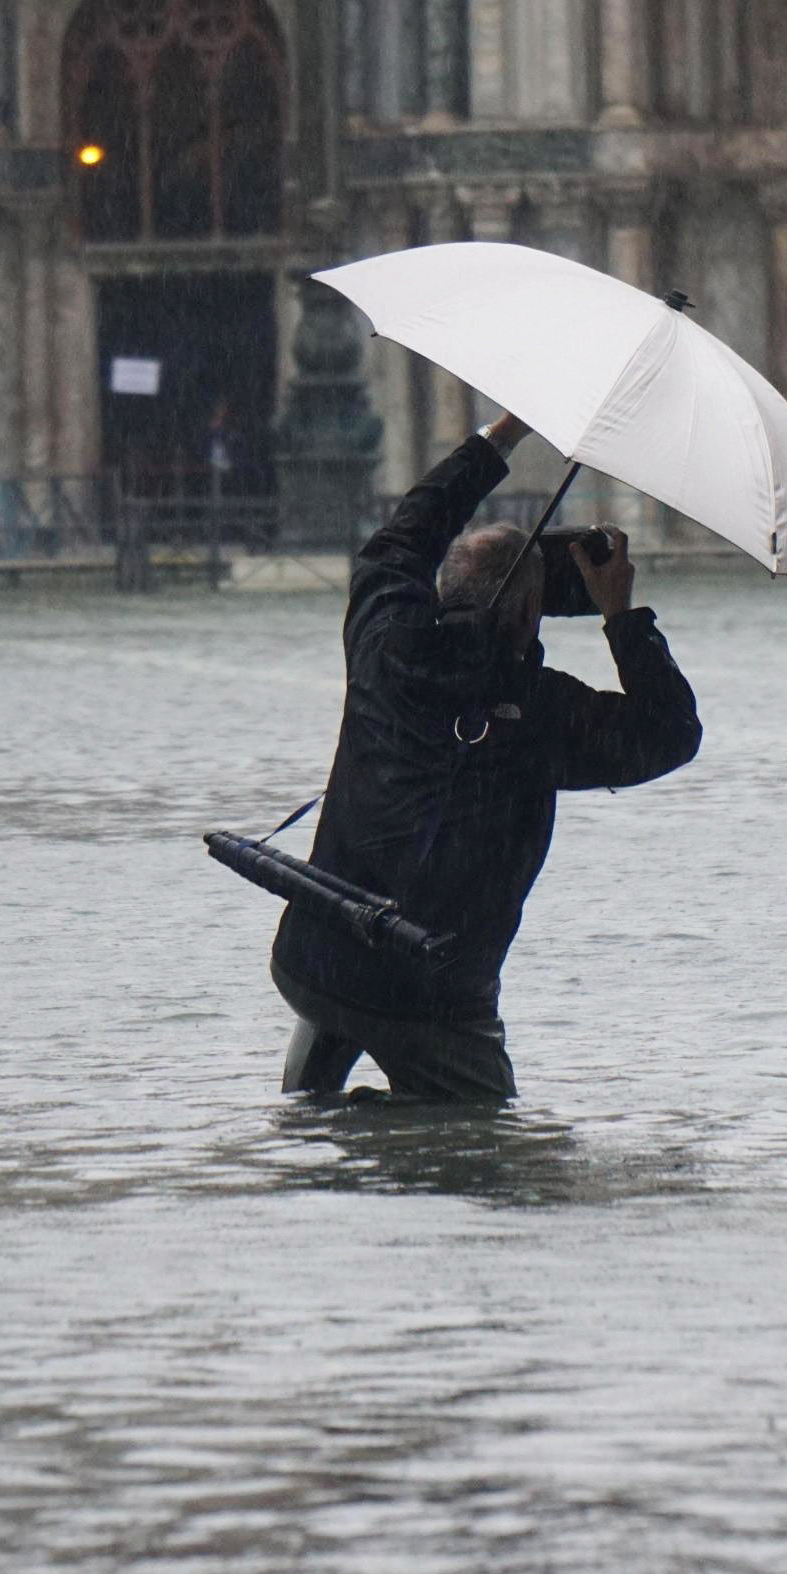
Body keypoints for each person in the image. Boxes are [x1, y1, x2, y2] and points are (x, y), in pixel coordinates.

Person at [270, 410, 702, 1103]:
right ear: (531, 617)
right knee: (484, 1142)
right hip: (435, 996)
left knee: (323, 1073)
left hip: (315, 957)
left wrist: (501, 436)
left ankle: (328, 1125)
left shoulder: (383, 641)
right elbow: (671, 731)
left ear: (445, 587)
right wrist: (620, 614)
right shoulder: (547, 712)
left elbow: (407, 534)